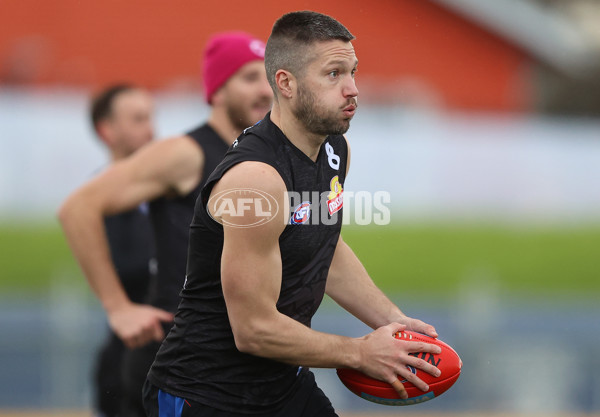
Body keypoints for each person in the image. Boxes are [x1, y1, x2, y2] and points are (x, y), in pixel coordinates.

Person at [143, 10, 442, 417]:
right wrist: (358, 352)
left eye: (353, 72)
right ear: (285, 83)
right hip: (205, 393)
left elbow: (325, 248)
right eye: (334, 74)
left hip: (281, 383)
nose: (353, 89)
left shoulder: (335, 150)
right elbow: (254, 330)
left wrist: (393, 319)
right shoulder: (256, 179)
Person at [58, 32, 273, 417]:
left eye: (268, 77)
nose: (265, 90)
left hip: (236, 361)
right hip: (177, 363)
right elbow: (78, 208)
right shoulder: (185, 152)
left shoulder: (259, 158)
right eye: (249, 77)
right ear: (218, 89)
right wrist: (119, 307)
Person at [87, 84, 156, 417]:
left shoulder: (170, 192)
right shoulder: (92, 203)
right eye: (138, 119)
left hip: (176, 360)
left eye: (150, 117)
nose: (151, 129)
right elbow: (129, 269)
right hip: (130, 359)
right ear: (107, 130)